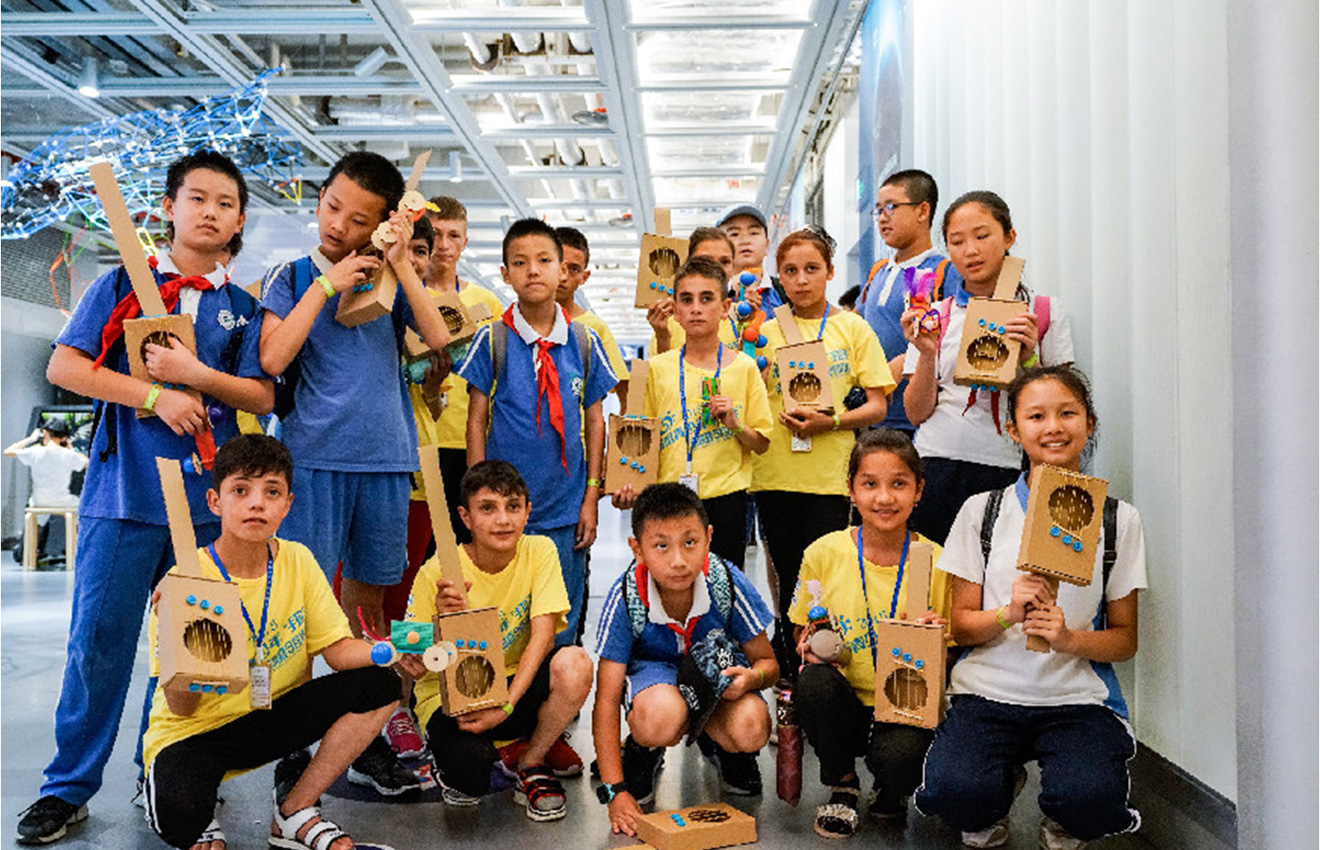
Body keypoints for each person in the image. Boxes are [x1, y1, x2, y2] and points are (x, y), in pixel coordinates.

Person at [19, 150, 273, 845]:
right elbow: (66, 365)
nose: (210, 211)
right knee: (97, 645)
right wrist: (154, 395)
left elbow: (261, 396)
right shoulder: (121, 284)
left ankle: (159, 769)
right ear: (169, 207)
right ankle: (67, 787)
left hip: (206, 509)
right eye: (197, 198)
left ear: (239, 221)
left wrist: (198, 378)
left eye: (225, 203)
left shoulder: (243, 310)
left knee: (191, 648)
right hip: (122, 497)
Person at [257, 150, 450, 796]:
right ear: (319, 199)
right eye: (332, 206)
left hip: (387, 462)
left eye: (359, 219)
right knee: (298, 609)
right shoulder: (291, 276)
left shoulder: (388, 282)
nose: (338, 224)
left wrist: (399, 263)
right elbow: (272, 357)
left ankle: (362, 735)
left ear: (382, 223)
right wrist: (326, 285)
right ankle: (292, 742)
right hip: (312, 459)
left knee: (367, 609)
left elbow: (438, 339)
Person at [915, 366, 1145, 850]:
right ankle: (993, 789)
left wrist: (1069, 639)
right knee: (955, 794)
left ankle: (1066, 816)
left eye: (1068, 414)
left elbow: (1125, 640)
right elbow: (960, 626)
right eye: (1036, 416)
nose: (1053, 427)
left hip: (1076, 699)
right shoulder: (982, 511)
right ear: (1013, 430)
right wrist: (1008, 613)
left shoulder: (1118, 520)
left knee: (1091, 800)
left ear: (1089, 422)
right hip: (986, 693)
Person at [141, 435, 400, 850]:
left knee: (382, 682)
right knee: (181, 817)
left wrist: (393, 649)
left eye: (272, 492)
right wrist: (181, 645)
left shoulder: (298, 560)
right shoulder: (183, 582)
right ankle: (196, 810)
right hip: (196, 732)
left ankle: (294, 811)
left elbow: (337, 652)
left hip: (272, 716)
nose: (257, 504)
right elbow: (182, 707)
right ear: (215, 501)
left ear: (288, 504)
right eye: (241, 491)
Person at [456, 218, 618, 652]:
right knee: (505, 611)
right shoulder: (493, 338)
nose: (532, 270)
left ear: (563, 270)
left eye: (544, 260)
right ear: (505, 274)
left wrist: (592, 496)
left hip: (565, 506)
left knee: (561, 617)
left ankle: (555, 692)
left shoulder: (583, 341)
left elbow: (595, 422)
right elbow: (476, 419)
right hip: (504, 508)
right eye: (519, 262)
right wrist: (479, 496)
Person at [404, 461, 593, 821]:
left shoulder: (540, 550)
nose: (503, 520)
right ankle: (485, 753)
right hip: (456, 698)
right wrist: (439, 624)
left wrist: (504, 706)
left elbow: (543, 637)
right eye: (488, 508)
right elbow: (413, 661)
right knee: (469, 781)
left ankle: (530, 761)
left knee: (575, 663)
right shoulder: (438, 570)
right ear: (465, 516)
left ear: (527, 512)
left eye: (513, 506)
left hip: (513, 688)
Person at [788, 429, 951, 837]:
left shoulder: (936, 561)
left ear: (919, 490)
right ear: (851, 489)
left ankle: (890, 788)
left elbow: (953, 648)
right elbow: (800, 629)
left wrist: (936, 639)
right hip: (845, 696)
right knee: (813, 683)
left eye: (899, 484)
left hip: (905, 702)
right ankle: (843, 783)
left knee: (902, 758)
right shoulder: (823, 553)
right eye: (870, 484)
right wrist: (808, 644)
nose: (884, 498)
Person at [592, 483, 778, 835]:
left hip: (716, 688)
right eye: (661, 546)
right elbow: (606, 698)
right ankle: (643, 750)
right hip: (656, 684)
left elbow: (768, 664)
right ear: (637, 549)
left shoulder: (726, 581)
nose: (678, 560)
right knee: (659, 717)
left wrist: (751, 680)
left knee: (752, 725)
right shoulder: (626, 596)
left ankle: (727, 750)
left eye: (690, 542)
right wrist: (615, 790)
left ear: (708, 538)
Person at [751, 228, 894, 675]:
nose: (801, 280)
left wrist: (830, 422)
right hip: (773, 474)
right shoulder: (765, 332)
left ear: (830, 272)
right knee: (788, 579)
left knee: (824, 583)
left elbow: (878, 405)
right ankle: (791, 677)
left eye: (812, 269)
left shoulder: (852, 328)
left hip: (831, 479)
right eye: (790, 271)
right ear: (779, 276)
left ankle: (823, 674)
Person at [901, 191, 1075, 544]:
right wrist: (927, 354)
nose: (970, 250)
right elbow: (915, 413)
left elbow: (1064, 407)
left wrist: (1029, 358)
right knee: (935, 570)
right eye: (957, 241)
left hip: (1011, 466)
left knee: (1004, 569)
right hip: (937, 463)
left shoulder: (1042, 311)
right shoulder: (936, 315)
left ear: (1010, 237)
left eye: (982, 236)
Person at [613, 256, 772, 570]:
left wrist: (735, 425)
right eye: (686, 300)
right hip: (667, 498)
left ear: (725, 308)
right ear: (675, 309)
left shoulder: (744, 368)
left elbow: (762, 443)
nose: (696, 308)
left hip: (727, 498)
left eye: (706, 298)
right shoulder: (655, 369)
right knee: (670, 582)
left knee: (723, 585)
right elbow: (637, 439)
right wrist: (626, 485)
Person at [418, 196, 502, 547]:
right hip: (420, 439)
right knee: (420, 546)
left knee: (466, 544)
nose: (444, 244)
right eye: (436, 234)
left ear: (465, 242)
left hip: (471, 443)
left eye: (453, 235)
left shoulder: (487, 303)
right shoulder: (408, 297)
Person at [858, 169, 963, 437]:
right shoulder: (877, 271)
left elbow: (955, 337)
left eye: (891, 207)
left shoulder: (941, 271)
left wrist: (903, 362)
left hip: (921, 422)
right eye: (878, 210)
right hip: (873, 416)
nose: (883, 217)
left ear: (922, 210)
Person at [554, 226, 630, 409]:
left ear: (584, 277)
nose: (563, 277)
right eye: (557, 265)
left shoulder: (595, 328)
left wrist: (622, 425)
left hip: (580, 427)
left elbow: (624, 388)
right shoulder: (513, 324)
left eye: (574, 269)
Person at [4, 418, 87, 564]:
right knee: (80, 510)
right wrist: (70, 448)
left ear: (46, 433)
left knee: (37, 515)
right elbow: (87, 463)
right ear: (63, 437)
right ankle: (78, 553)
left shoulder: (36, 452)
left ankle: (31, 555)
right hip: (62, 501)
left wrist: (31, 439)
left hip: (39, 501)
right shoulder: (67, 454)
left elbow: (8, 451)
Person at [647, 227, 740, 356]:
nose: (716, 269)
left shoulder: (741, 317)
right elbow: (661, 367)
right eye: (705, 261)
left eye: (724, 262)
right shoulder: (668, 324)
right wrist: (663, 337)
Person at [718, 203, 787, 313]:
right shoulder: (712, 296)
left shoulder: (786, 292)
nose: (745, 240)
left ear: (767, 245)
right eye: (734, 234)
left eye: (753, 233)